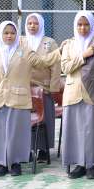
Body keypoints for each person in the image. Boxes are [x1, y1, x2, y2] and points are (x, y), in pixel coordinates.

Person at [0, 21, 60, 177]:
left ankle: (15, 163)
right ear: (0, 35)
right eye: (6, 33)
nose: (9, 36)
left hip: (19, 101)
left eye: (12, 33)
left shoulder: (25, 52)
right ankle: (2, 163)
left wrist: (60, 51)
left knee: (17, 133)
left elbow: (43, 62)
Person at [60, 12, 94, 180]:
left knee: (90, 130)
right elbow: (66, 68)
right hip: (73, 92)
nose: (83, 28)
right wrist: (84, 55)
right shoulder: (69, 44)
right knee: (74, 130)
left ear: (91, 25)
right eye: (80, 25)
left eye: (86, 24)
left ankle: (90, 164)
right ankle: (78, 164)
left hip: (93, 92)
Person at [23, 13, 62, 161]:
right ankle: (26, 149)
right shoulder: (21, 41)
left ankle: (43, 149)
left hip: (44, 88)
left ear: (41, 25)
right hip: (25, 89)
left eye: (35, 23)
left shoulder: (50, 43)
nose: (32, 26)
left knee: (45, 119)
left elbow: (56, 66)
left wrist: (53, 88)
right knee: (26, 120)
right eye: (29, 23)